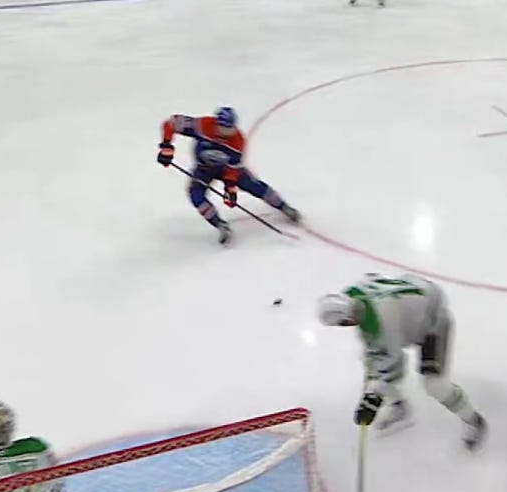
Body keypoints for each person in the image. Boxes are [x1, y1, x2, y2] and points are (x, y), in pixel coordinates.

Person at [317, 273, 487, 449]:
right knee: (370, 360)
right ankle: (399, 405)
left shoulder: (383, 323)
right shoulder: (354, 292)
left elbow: (394, 368)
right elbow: (372, 277)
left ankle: (474, 420)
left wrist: (373, 399)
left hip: (433, 322)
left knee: (434, 385)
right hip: (420, 295)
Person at [156, 106, 300, 245]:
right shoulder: (202, 125)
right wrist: (166, 147)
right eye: (223, 129)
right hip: (203, 169)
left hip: (226, 169)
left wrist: (230, 188)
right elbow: (171, 123)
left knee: (254, 185)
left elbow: (234, 168)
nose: (226, 134)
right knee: (196, 195)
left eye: (230, 129)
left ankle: (283, 206)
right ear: (216, 123)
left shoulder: (238, 141)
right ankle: (220, 224)